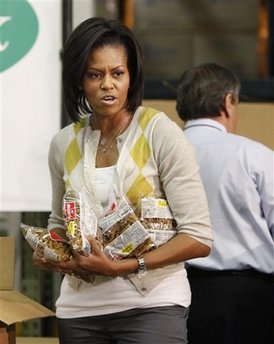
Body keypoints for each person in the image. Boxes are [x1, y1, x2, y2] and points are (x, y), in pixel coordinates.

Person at [33, 17, 212, 344]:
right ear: (79, 80)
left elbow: (198, 237)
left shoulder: (160, 132)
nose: (107, 85)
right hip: (79, 309)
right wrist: (50, 249)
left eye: (117, 73)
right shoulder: (63, 143)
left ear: (132, 77)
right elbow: (59, 221)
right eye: (94, 74)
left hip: (153, 303)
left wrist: (125, 266)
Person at [176, 62, 274, 344]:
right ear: (229, 102)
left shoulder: (158, 157)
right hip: (250, 300)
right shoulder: (255, 156)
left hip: (174, 298)